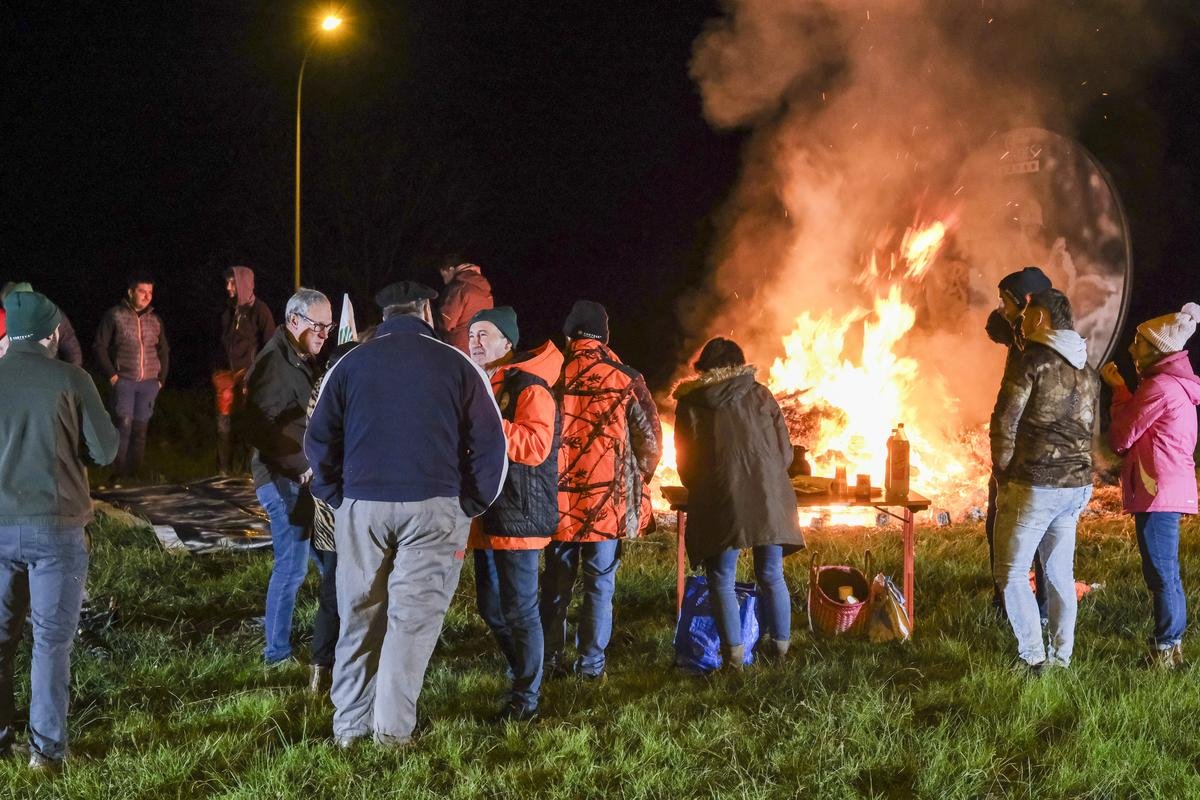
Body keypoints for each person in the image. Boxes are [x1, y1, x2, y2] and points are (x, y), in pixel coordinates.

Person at [304, 280, 506, 748]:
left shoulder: (352, 361)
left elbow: (317, 438)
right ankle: (392, 733)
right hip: (435, 508)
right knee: (411, 622)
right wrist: (471, 502)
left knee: (359, 615)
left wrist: (337, 492)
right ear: (427, 314)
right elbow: (492, 443)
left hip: (362, 506)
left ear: (385, 316)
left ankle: (350, 728)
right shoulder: (457, 364)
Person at [0, 291, 118, 772]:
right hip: (58, 529)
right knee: (51, 642)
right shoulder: (72, 378)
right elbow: (105, 450)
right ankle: (45, 753)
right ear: (51, 334)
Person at [542, 300, 660, 680]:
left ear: (568, 334)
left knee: (554, 586)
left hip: (557, 503)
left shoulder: (549, 376)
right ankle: (591, 666)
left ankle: (549, 660)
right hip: (606, 505)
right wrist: (632, 478)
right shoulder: (625, 377)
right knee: (599, 585)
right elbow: (651, 442)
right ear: (605, 337)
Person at [673, 337, 805, 668]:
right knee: (771, 573)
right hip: (768, 497)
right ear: (740, 364)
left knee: (722, 578)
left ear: (704, 369)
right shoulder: (761, 394)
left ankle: (733, 659)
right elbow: (786, 454)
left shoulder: (692, 403)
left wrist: (705, 487)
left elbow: (686, 465)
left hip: (720, 499)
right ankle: (781, 651)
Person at [991, 288, 1098, 675]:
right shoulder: (1088, 369)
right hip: (1077, 485)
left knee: (1014, 573)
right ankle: (1061, 658)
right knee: (1059, 574)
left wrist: (1003, 470)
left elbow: (1005, 420)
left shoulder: (1030, 361)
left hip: (1034, 484)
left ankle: (1033, 657)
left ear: (1039, 318)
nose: (1022, 320)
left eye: (1028, 313)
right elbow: (1090, 429)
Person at [466, 307, 562, 721]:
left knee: (521, 610)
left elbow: (535, 445)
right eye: (471, 335)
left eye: (484, 334)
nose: (475, 341)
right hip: (486, 514)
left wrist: (486, 425)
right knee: (491, 608)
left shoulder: (529, 387)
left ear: (507, 343)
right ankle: (527, 668)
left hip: (519, 515)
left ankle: (527, 698)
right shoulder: (481, 383)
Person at [1102, 302, 1200, 669]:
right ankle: (1171, 649)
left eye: (1139, 343)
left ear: (1157, 349)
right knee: (1165, 571)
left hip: (1157, 490)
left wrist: (1117, 391)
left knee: (1162, 573)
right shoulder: (1172, 385)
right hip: (1166, 487)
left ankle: (1166, 648)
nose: (1131, 348)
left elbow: (1120, 437)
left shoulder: (1159, 386)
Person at [243, 288, 331, 667]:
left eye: (329, 328)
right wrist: (300, 464)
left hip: (301, 478)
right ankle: (275, 653)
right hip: (281, 480)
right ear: (294, 321)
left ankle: (339, 633)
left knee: (330, 562)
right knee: (292, 568)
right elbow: (257, 426)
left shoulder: (299, 357)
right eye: (318, 326)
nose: (324, 335)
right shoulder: (274, 364)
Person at [985, 266, 1052, 621]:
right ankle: (1005, 597)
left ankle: (1040, 607)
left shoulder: (1046, 343)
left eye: (1006, 302)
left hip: (1034, 452)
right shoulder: (1019, 332)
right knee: (996, 522)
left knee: (1036, 533)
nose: (1001, 308)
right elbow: (992, 328)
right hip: (1009, 450)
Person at [93, 275, 170, 481]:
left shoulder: (155, 319)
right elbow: (99, 346)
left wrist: (161, 378)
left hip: (149, 383)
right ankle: (117, 474)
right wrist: (111, 375)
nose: (147, 296)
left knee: (140, 430)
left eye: (150, 292)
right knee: (123, 427)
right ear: (130, 292)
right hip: (124, 381)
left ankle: (134, 475)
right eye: (142, 291)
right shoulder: (114, 315)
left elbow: (164, 350)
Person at [214, 266, 275, 475]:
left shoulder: (260, 310)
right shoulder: (228, 312)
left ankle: (250, 472)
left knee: (250, 425)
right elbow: (221, 344)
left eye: (233, 283)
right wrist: (217, 371)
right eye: (227, 283)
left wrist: (258, 375)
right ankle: (224, 471)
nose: (228, 287)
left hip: (250, 377)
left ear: (243, 284)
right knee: (224, 424)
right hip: (228, 378)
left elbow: (270, 346)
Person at [2, 281, 82, 367]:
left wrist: (73, 375)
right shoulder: (6, 322)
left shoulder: (52, 316)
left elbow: (72, 349)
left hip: (51, 370)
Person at [436, 259, 493, 353]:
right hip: (480, 347)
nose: (444, 281)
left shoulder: (459, 288)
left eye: (444, 275)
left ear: (451, 269)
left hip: (459, 347)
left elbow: (446, 322)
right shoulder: (484, 290)